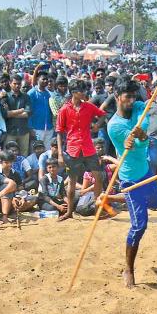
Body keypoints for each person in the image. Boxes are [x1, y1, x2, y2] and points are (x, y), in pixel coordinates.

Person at [106, 78, 157, 288]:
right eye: (127, 97)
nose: (132, 101)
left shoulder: (140, 106)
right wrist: (132, 141)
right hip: (130, 177)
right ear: (117, 97)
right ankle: (128, 268)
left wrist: (141, 136)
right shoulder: (114, 126)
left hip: (145, 171)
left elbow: (143, 138)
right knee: (140, 225)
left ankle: (126, 199)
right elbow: (135, 146)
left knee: (156, 202)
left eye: (133, 96)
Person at [56, 79, 106, 221]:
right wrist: (60, 153)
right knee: (71, 182)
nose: (85, 93)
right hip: (73, 149)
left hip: (88, 148)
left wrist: (96, 126)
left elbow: (103, 114)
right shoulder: (64, 109)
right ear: (74, 93)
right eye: (81, 91)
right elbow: (59, 132)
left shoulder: (89, 107)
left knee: (98, 177)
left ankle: (98, 210)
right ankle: (69, 212)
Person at [1, 74, 31, 154]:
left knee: (23, 155)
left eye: (19, 84)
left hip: (23, 130)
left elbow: (27, 114)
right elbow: (5, 114)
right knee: (8, 155)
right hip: (10, 131)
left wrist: (11, 113)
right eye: (15, 83)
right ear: (10, 83)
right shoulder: (5, 97)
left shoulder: (26, 97)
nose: (17, 86)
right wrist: (21, 110)